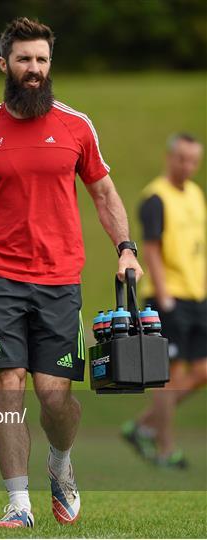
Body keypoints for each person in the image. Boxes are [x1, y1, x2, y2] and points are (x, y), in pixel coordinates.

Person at [0, 17, 142, 528]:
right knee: (6, 385)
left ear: (49, 65)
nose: (33, 69)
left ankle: (60, 462)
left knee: (55, 398)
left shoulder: (77, 126)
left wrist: (125, 248)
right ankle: (19, 503)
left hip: (60, 280)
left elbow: (104, 193)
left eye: (41, 60)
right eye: (24, 60)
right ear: (4, 64)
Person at [122, 133, 206, 468]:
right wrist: (164, 295)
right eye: (182, 159)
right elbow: (152, 250)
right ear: (170, 158)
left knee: (202, 370)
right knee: (167, 376)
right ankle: (166, 449)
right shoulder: (155, 197)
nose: (188, 166)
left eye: (194, 161)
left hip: (197, 296)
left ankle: (142, 425)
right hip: (167, 297)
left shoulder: (197, 194)